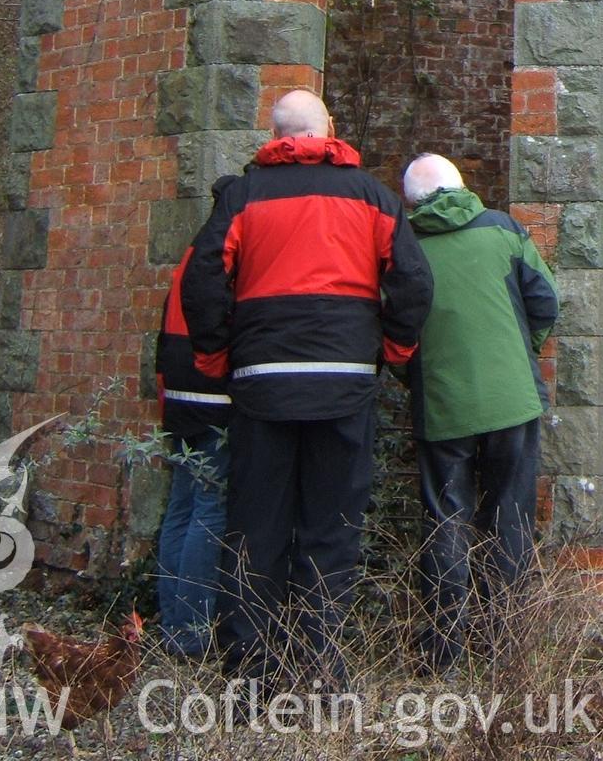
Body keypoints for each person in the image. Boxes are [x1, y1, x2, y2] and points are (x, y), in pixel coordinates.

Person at [183, 91, 431, 682]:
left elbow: (202, 282)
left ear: (272, 136)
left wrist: (218, 358)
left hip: (262, 387)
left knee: (255, 531)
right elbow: (414, 283)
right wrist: (391, 351)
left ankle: (250, 678)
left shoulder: (242, 197)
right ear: (330, 131)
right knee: (331, 531)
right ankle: (318, 672)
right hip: (344, 387)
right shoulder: (373, 197)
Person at [400, 153, 557, 668]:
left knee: (447, 520)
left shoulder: (405, 248)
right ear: (460, 186)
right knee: (510, 516)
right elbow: (545, 301)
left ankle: (444, 650)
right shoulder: (505, 231)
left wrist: (417, 376)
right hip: (513, 401)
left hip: (443, 408)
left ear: (411, 202)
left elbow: (395, 332)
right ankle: (505, 644)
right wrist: (521, 352)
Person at [152, 183, 233, 658]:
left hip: (178, 398)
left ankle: (174, 624)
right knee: (210, 509)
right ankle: (192, 634)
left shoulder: (190, 254)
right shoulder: (221, 255)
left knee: (183, 506)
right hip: (210, 395)